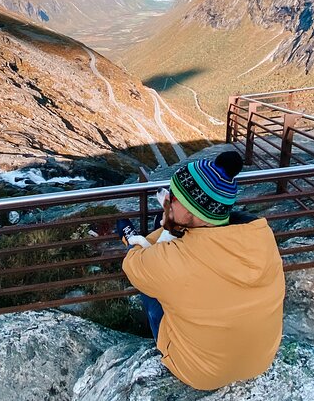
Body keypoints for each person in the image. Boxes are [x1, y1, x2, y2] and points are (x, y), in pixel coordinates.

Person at [116, 151, 285, 391]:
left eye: (173, 198)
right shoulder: (261, 234)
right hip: (260, 360)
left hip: (200, 373)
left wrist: (166, 228)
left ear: (192, 210)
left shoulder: (173, 261)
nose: (168, 199)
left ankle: (132, 240)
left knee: (148, 283)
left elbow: (132, 264)